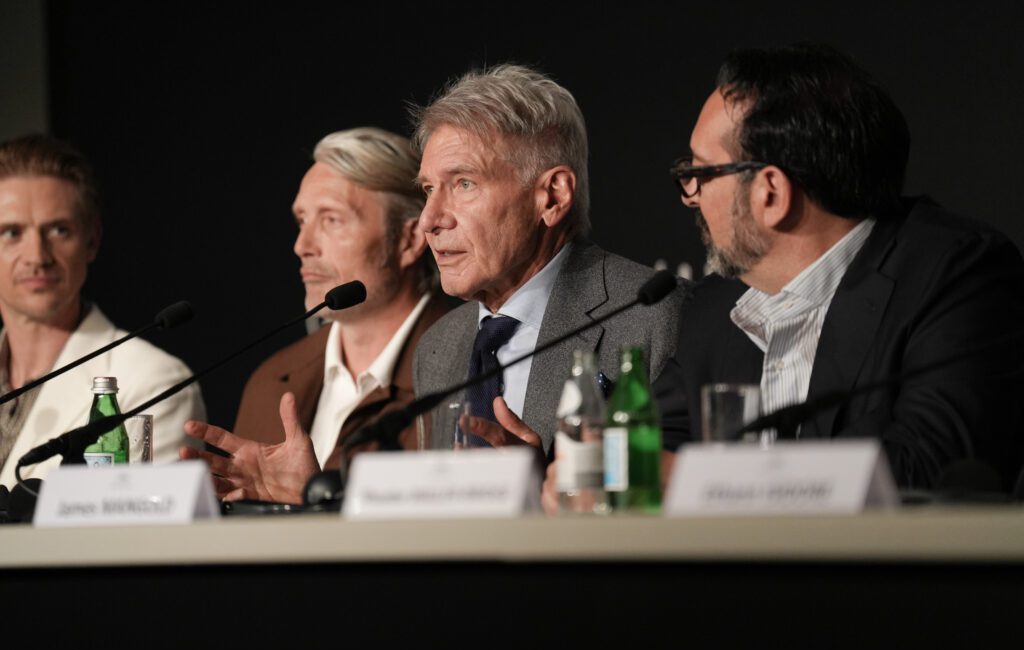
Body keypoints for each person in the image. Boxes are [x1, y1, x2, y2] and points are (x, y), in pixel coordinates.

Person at [649, 43, 1024, 494]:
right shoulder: (715, 306)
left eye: (702, 174)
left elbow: (928, 472)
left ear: (770, 193)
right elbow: (652, 447)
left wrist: (711, 482)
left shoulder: (959, 277)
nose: (691, 195)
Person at [412, 64, 684, 453]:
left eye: (464, 183)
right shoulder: (438, 348)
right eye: (428, 189)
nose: (429, 219)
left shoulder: (651, 319)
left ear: (552, 196)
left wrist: (539, 491)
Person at [180, 128, 450, 503]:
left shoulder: (468, 367)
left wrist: (313, 501)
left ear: (408, 239)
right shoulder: (273, 380)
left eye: (331, 220)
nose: (301, 246)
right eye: (302, 220)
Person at [0, 134, 205, 490]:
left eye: (59, 230)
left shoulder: (153, 383)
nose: (37, 256)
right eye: (12, 233)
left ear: (91, 241)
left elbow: (145, 542)